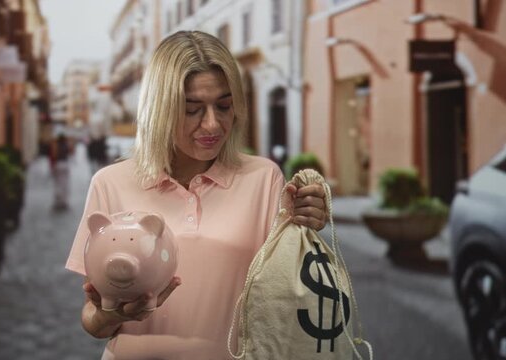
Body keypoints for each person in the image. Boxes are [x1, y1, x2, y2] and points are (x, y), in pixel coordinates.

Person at [66, 30, 327, 359]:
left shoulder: (264, 178)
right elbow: (92, 319)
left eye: (224, 106)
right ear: (159, 109)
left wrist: (305, 229)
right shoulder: (110, 183)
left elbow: (289, 295)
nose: (212, 125)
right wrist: (111, 316)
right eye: (192, 109)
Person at [51, 133, 73, 210]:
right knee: (65, 184)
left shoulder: (56, 146)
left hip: (59, 164)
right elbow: (72, 152)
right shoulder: (66, 145)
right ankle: (64, 201)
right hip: (65, 164)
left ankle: (58, 201)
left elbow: (54, 155)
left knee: (58, 183)